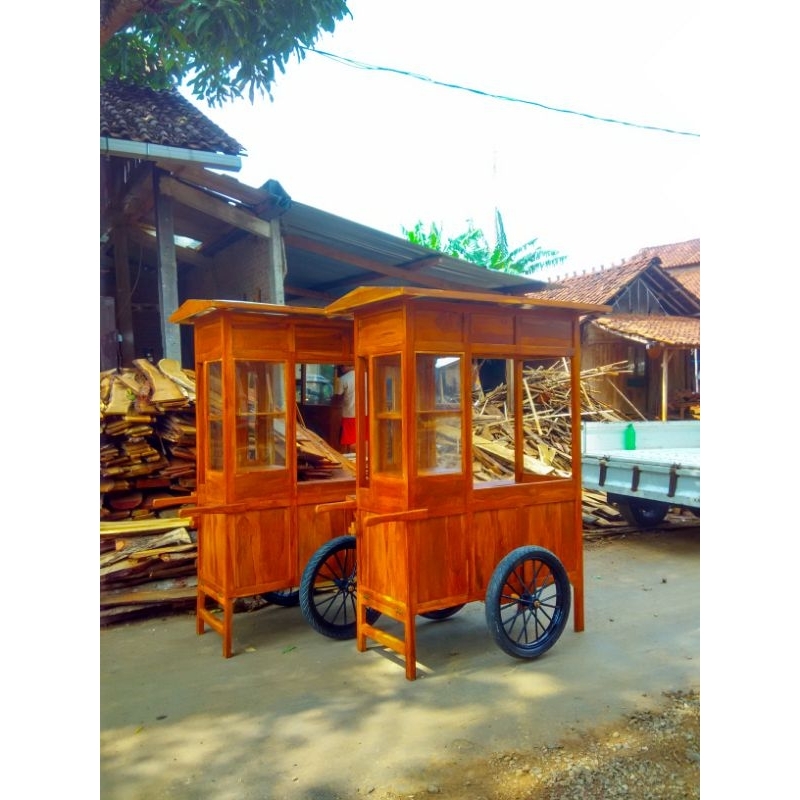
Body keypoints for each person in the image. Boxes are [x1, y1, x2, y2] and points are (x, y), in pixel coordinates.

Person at [334, 364, 356, 452]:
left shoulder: (343, 379)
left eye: (340, 367)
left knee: (350, 442)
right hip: (366, 413)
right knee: (363, 439)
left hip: (350, 414)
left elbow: (337, 399)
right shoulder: (366, 376)